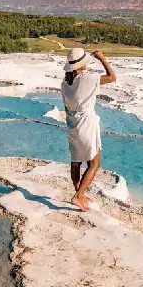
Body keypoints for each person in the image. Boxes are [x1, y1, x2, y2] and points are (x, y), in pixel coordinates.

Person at [60, 48, 117, 211]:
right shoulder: (88, 78)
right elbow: (112, 77)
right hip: (87, 122)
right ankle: (78, 196)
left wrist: (73, 121)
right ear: (82, 64)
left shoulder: (65, 83)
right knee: (94, 163)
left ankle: (80, 193)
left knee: (76, 161)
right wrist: (102, 58)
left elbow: (65, 108)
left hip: (72, 123)